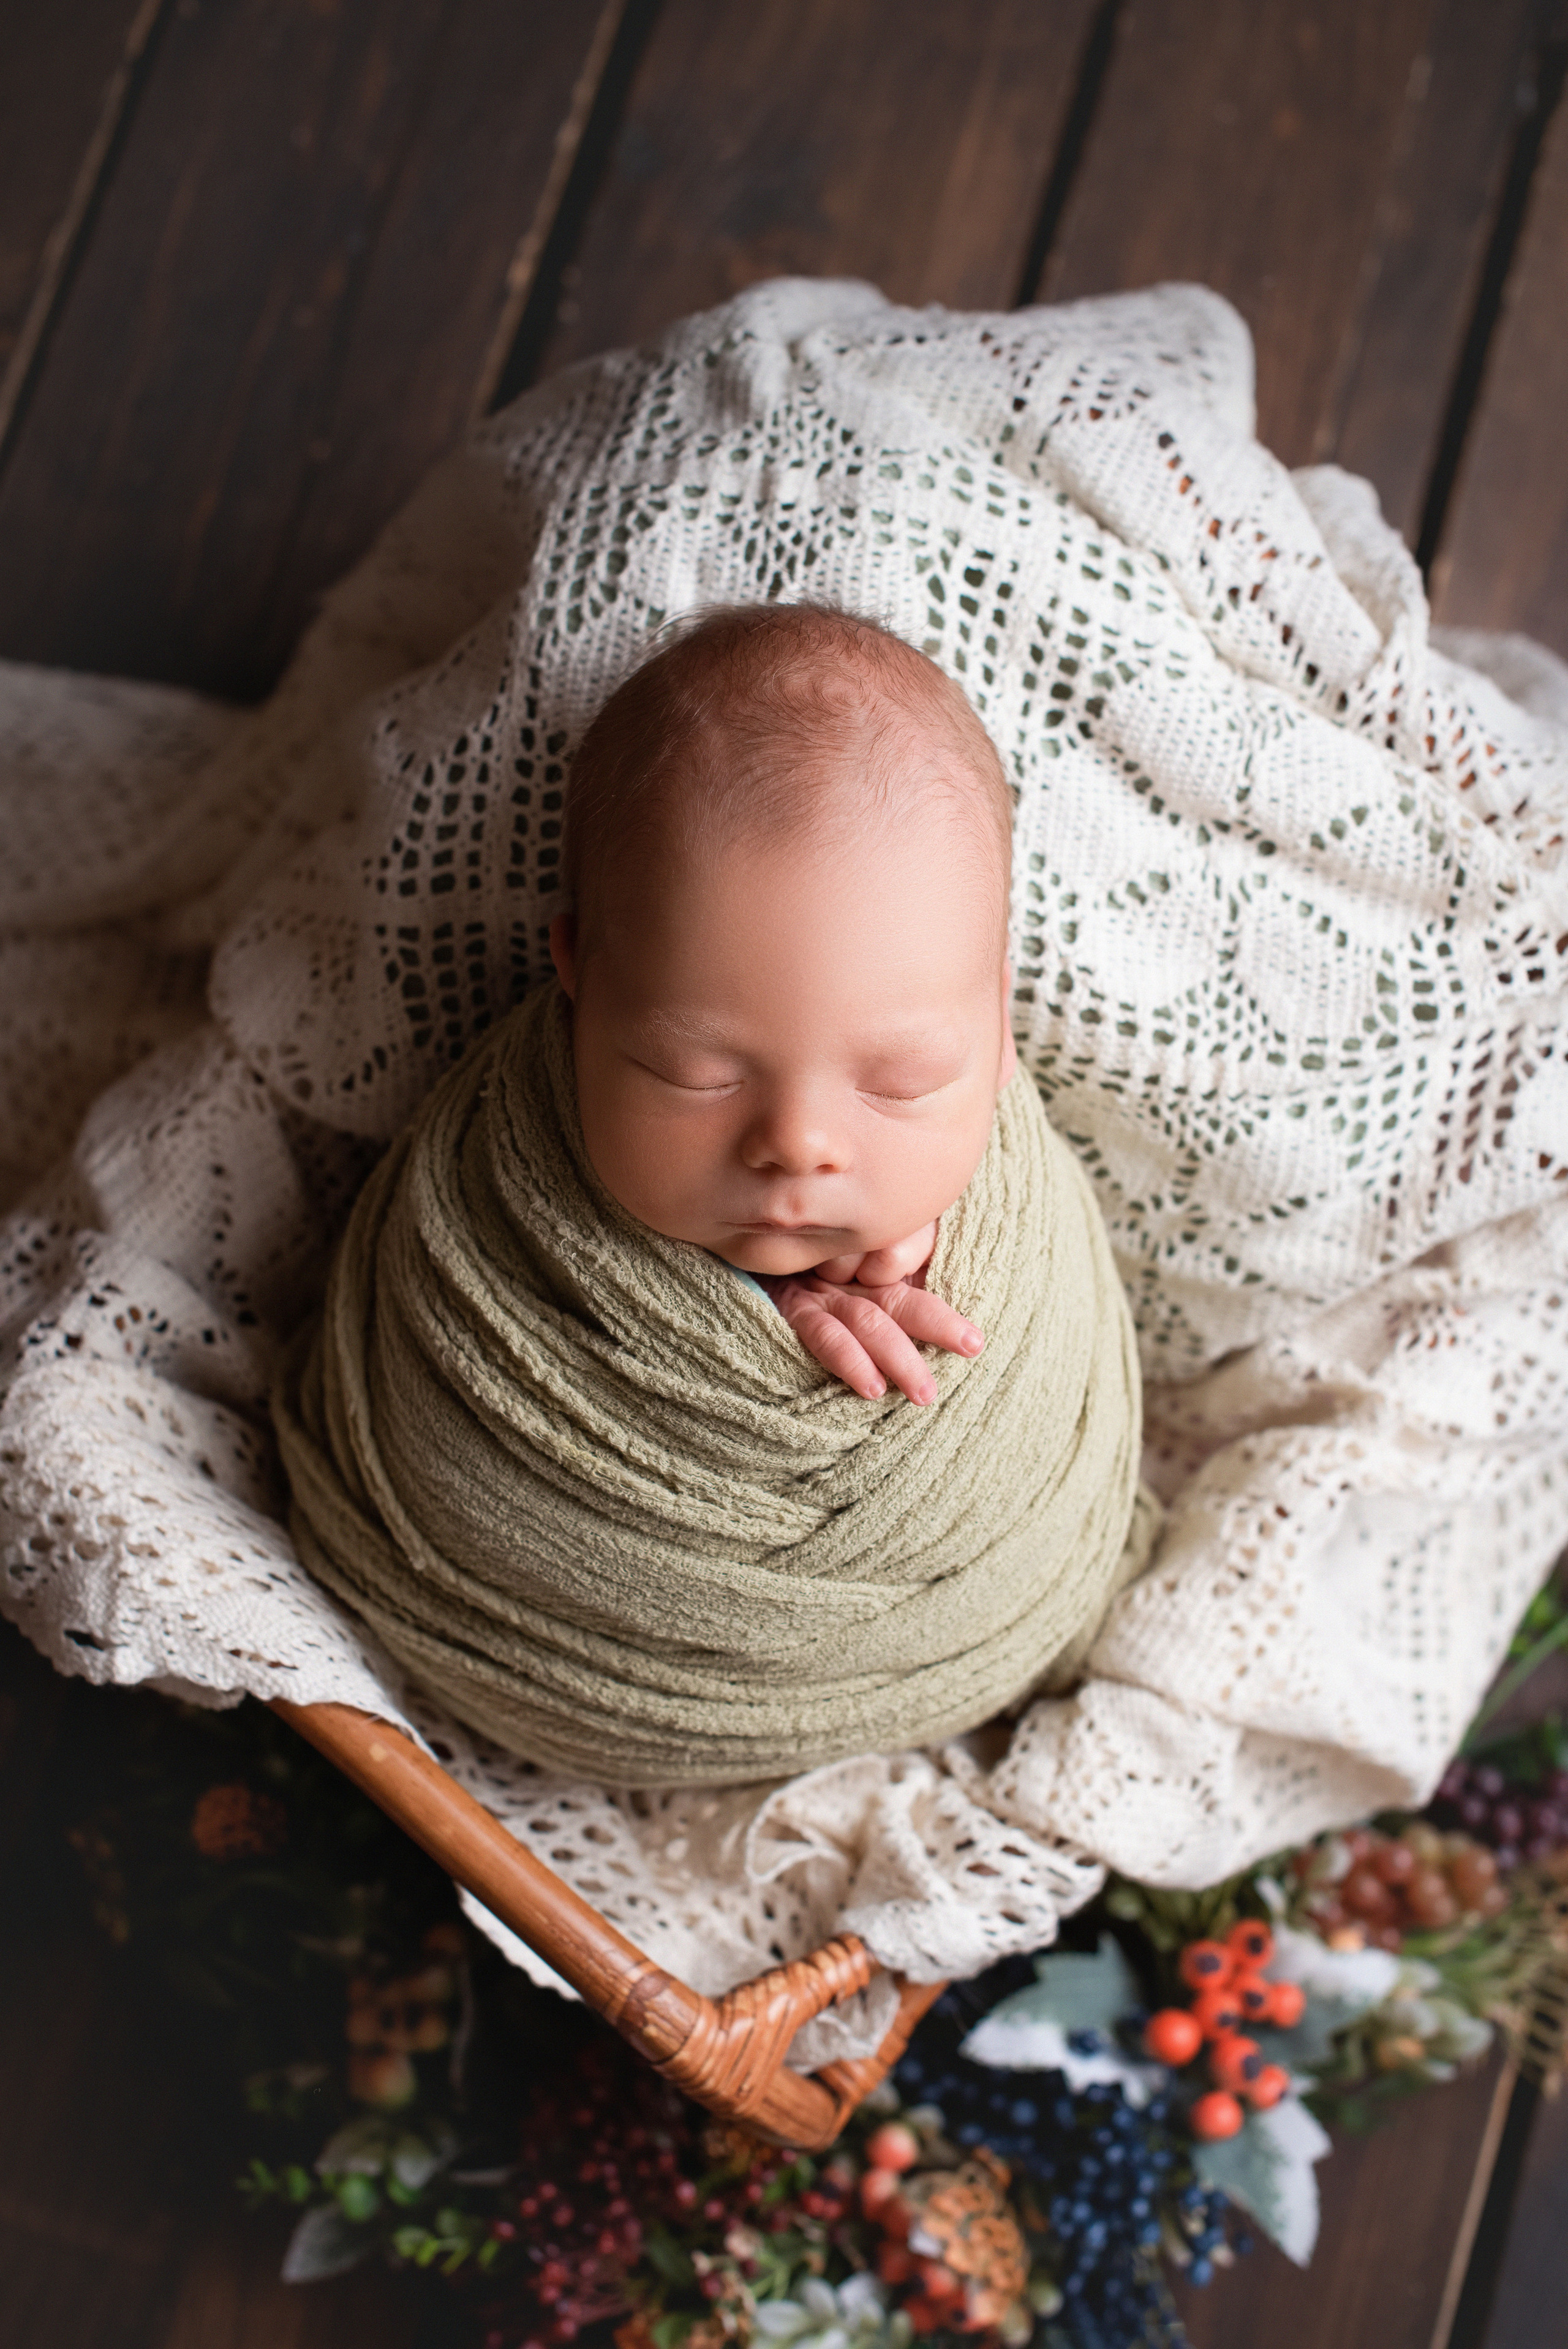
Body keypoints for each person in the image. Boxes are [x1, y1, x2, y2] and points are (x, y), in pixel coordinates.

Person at [550, 598, 1018, 1403]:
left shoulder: (1002, 1187)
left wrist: (941, 1245)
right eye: (697, 1075)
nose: (798, 1144)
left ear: (1003, 1028)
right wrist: (771, 1302)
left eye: (901, 1086)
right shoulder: (497, 1175)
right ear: (577, 981)